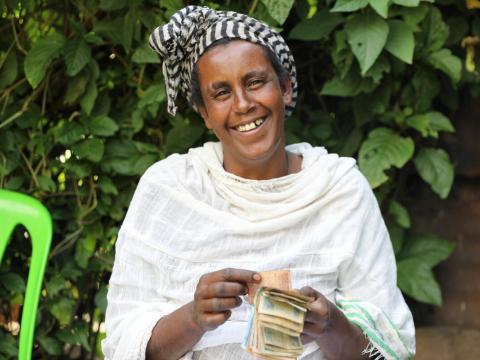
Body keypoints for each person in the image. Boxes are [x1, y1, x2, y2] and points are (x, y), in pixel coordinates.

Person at [102, 5, 415, 360]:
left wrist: (331, 328)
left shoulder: (339, 192)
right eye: (221, 94)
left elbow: (389, 351)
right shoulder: (170, 190)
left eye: (254, 82)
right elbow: (122, 345)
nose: (243, 104)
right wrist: (194, 318)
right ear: (204, 113)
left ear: (284, 88)